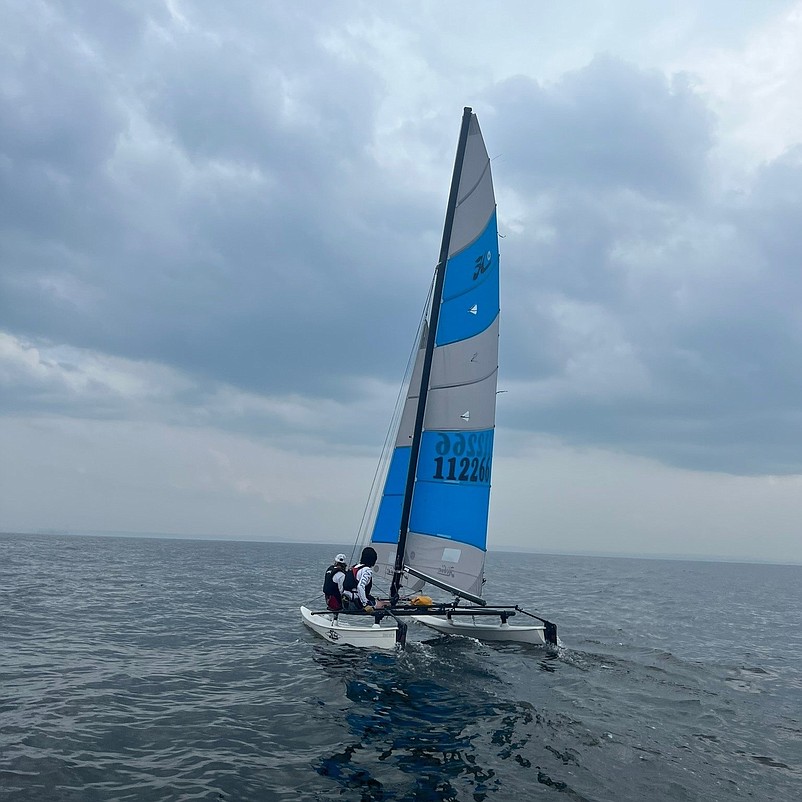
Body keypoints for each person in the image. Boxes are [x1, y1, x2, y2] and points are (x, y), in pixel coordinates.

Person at [342, 546, 378, 613]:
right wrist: (365, 604)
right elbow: (360, 587)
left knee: (371, 598)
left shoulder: (354, 567)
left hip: (345, 602)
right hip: (355, 604)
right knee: (380, 604)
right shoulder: (367, 570)